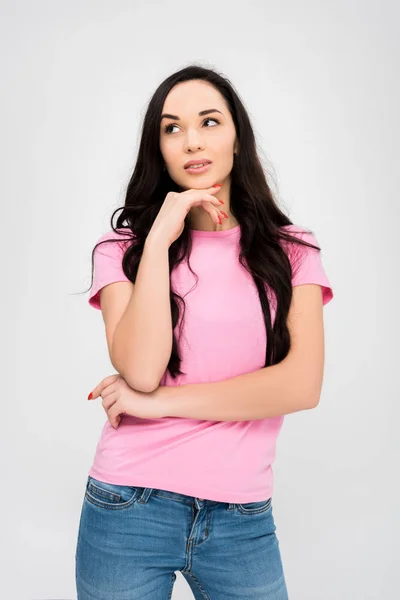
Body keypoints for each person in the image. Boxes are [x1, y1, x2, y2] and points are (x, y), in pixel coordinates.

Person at [75, 64, 334, 599]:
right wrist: (159, 241)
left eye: (209, 122)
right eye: (171, 128)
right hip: (128, 505)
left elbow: (300, 387)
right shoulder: (121, 251)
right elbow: (142, 368)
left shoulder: (294, 252)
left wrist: (155, 405)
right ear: (159, 150)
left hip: (242, 518)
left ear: (238, 137)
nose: (191, 140)